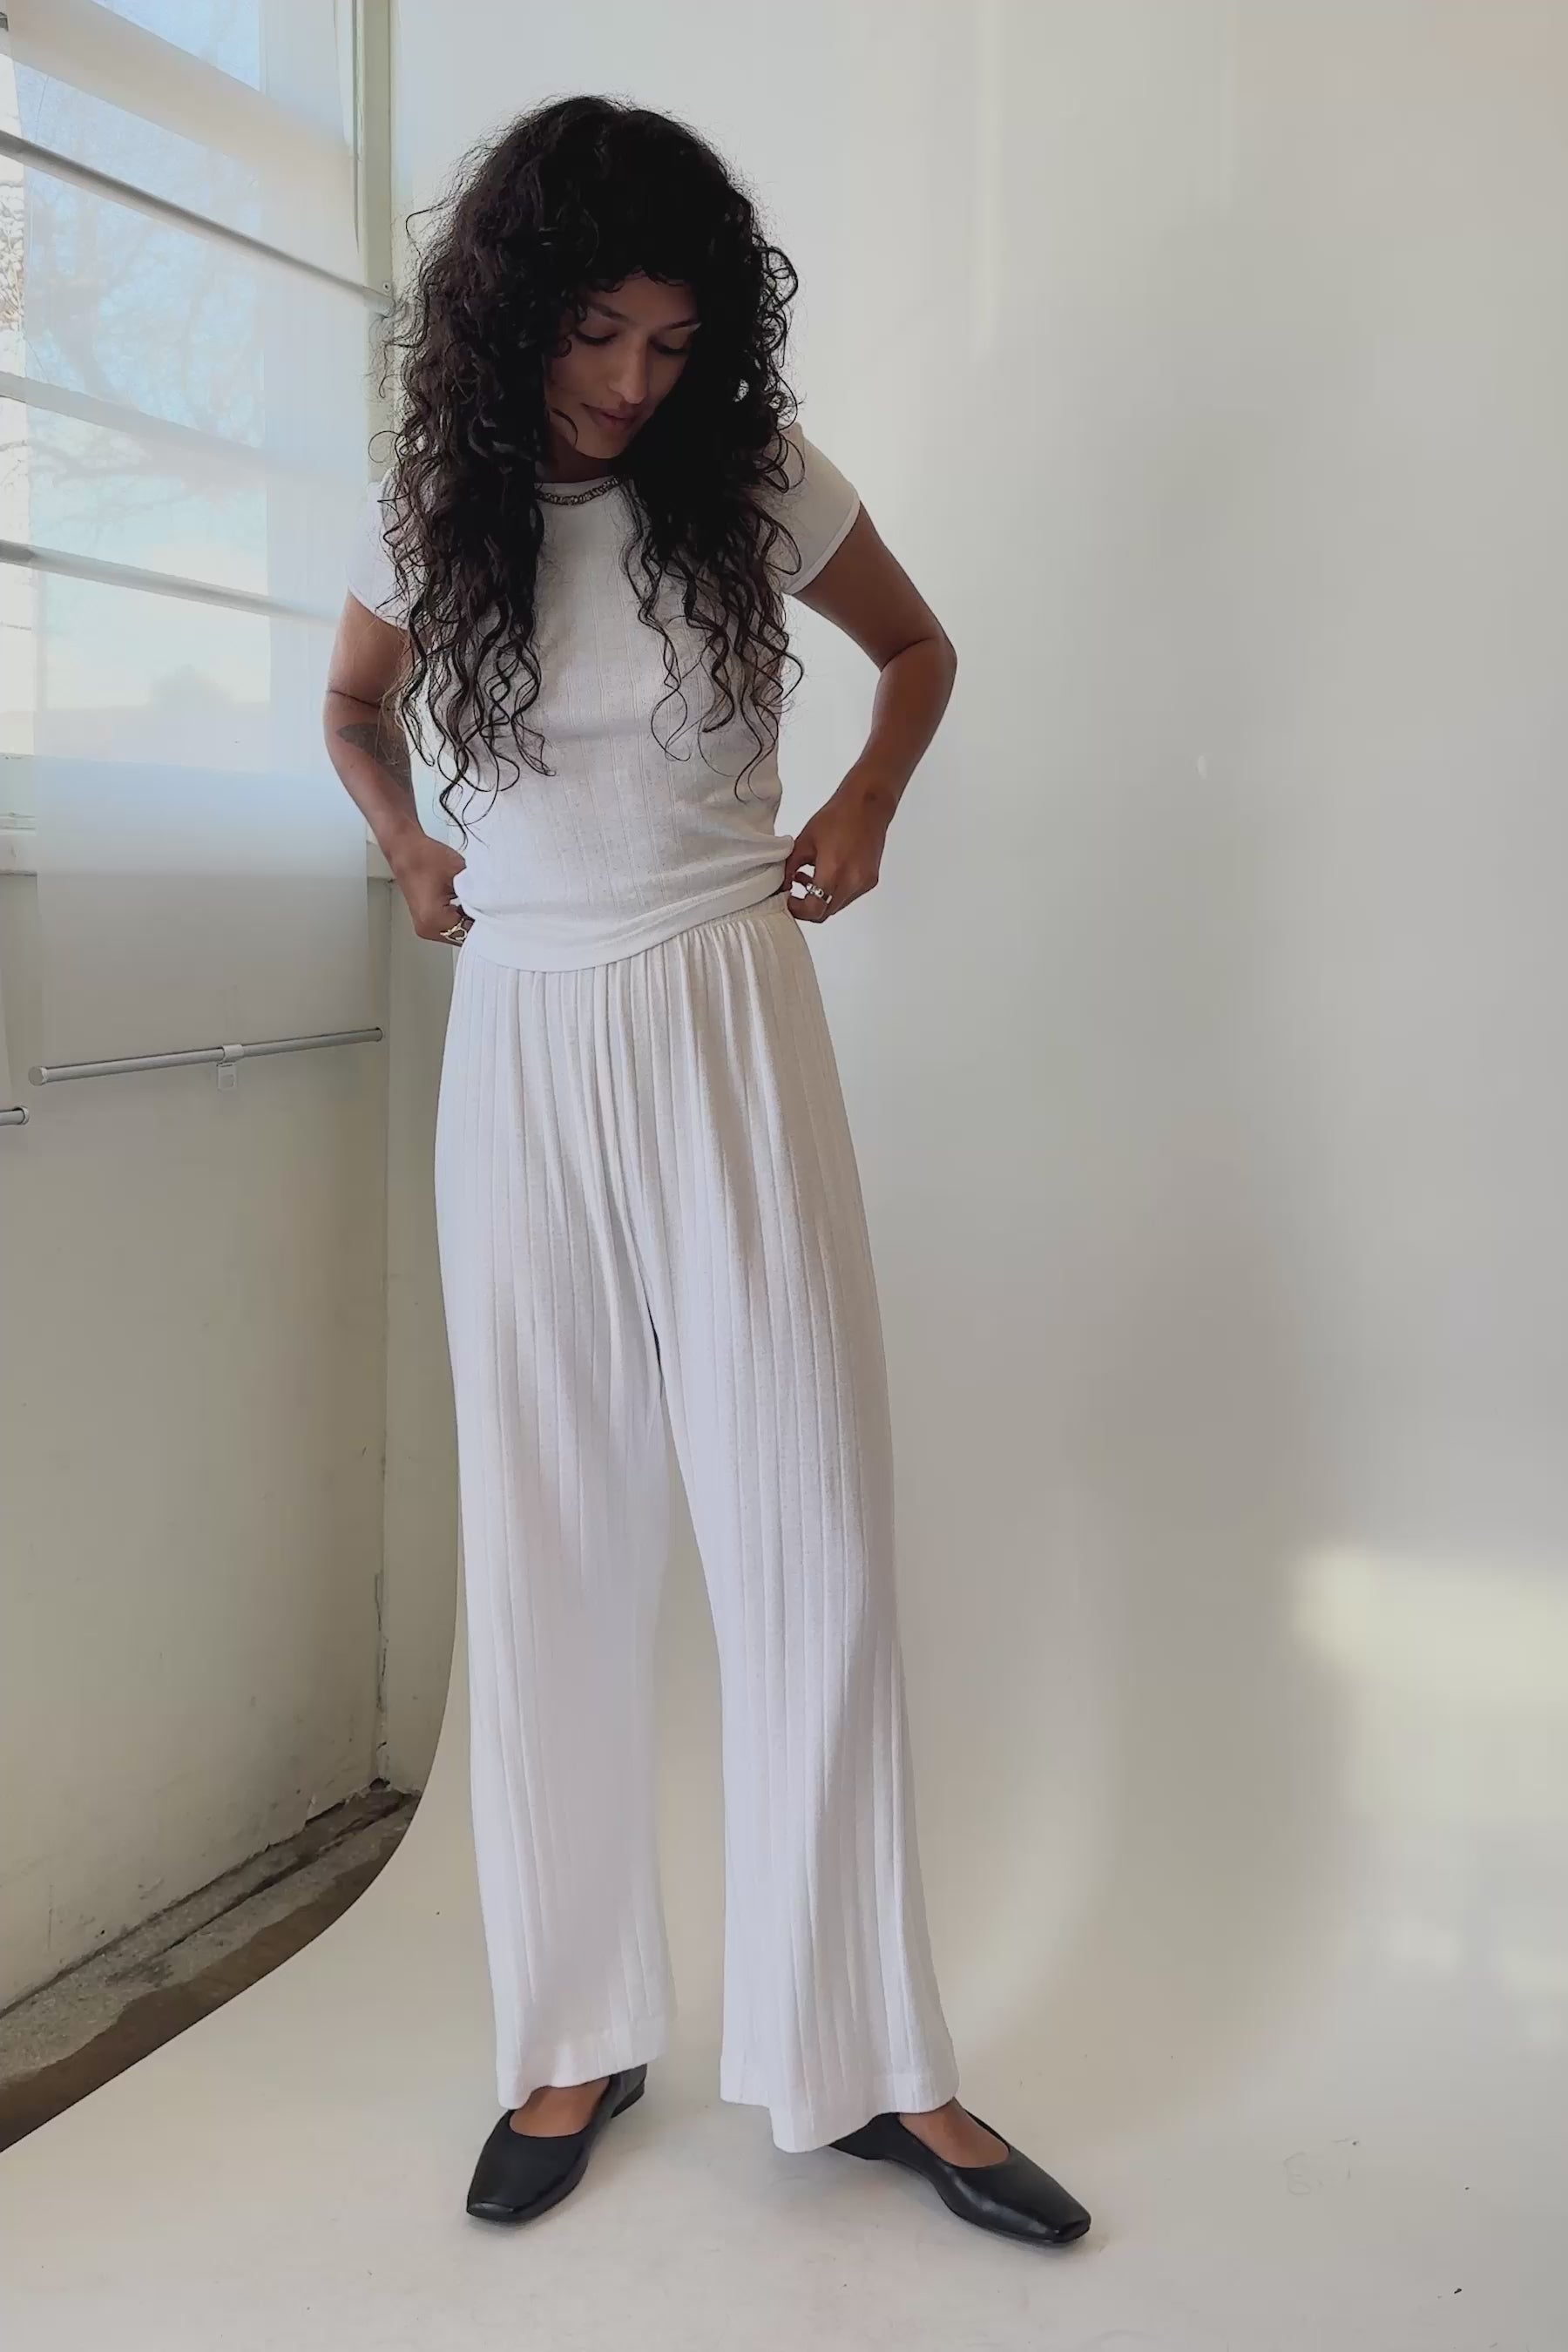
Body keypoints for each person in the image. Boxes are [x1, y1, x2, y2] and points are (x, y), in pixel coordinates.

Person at [322, 93, 1089, 2251]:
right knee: (549, 1533)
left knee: (806, 1530)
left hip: (733, 1008)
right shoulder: (430, 503)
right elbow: (356, 712)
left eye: (672, 342)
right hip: (524, 1033)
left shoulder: (752, 477)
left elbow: (919, 649)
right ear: (513, 313)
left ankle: (867, 2060)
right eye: (596, 334)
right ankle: (573, 2031)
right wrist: (409, 852)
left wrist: (867, 804)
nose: (631, 381)